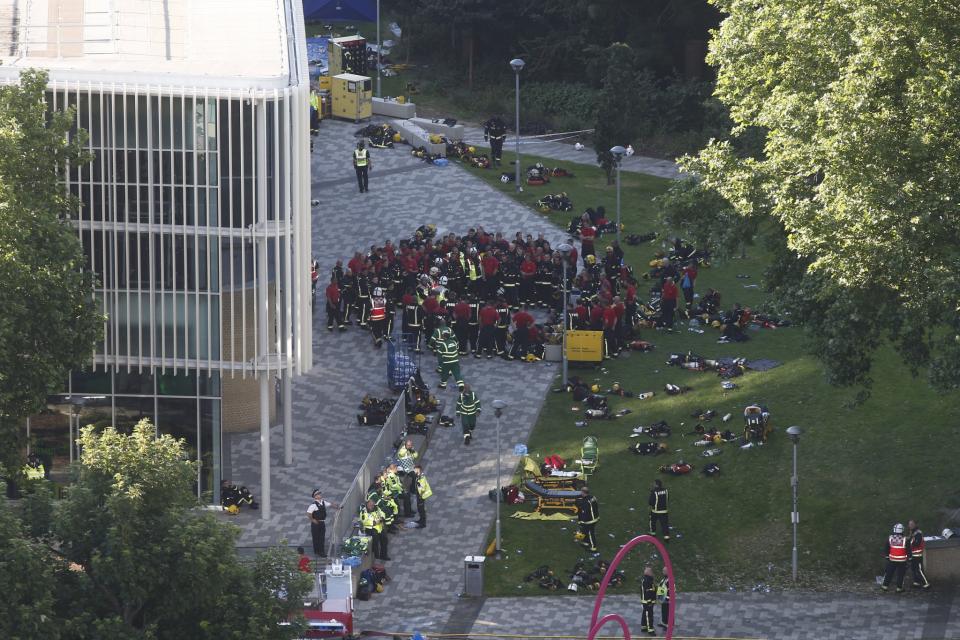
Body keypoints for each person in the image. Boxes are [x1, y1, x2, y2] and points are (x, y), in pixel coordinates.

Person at [307, 489, 340, 558]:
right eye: (318, 494)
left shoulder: (323, 502)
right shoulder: (313, 505)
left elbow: (330, 504)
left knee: (321, 537)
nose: (320, 495)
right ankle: (318, 551)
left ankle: (320, 551)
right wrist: (312, 520)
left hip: (322, 522)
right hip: (316, 523)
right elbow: (308, 513)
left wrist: (338, 507)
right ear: (315, 496)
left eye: (320, 493)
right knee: (316, 537)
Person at [882, 522, 909, 593]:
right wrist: (909, 558)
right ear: (902, 530)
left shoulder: (890, 538)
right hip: (902, 560)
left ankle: (885, 586)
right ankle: (899, 588)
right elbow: (908, 550)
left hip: (892, 559)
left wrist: (887, 556)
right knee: (900, 574)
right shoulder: (906, 539)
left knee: (889, 573)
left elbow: (886, 548)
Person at [907, 520, 931, 590]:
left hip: (918, 555)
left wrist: (909, 541)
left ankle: (926, 584)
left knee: (919, 570)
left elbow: (917, 543)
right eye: (909, 524)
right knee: (913, 569)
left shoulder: (918, 533)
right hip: (913, 555)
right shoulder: (912, 532)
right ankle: (916, 582)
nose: (910, 526)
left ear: (915, 524)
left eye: (912, 524)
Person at [575, 485, 599, 552]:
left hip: (590, 520)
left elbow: (584, 512)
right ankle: (585, 542)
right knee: (584, 530)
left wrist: (581, 521)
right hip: (595, 517)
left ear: (583, 492)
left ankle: (593, 548)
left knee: (590, 533)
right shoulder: (593, 497)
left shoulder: (584, 502)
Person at [640, 566, 656, 635]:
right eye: (651, 572)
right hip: (648, 601)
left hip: (646, 601)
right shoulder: (647, 581)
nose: (652, 573)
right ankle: (650, 630)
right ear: (648, 573)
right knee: (649, 615)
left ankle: (644, 627)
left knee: (645, 613)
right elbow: (648, 592)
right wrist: (650, 601)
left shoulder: (647, 579)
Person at [657, 565, 671, 629]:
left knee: (667, 612)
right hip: (663, 599)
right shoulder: (664, 579)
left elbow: (670, 591)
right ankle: (664, 623)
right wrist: (659, 597)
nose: (662, 572)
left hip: (667, 599)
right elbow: (661, 587)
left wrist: (667, 599)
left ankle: (668, 625)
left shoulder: (669, 580)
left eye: (664, 571)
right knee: (664, 611)